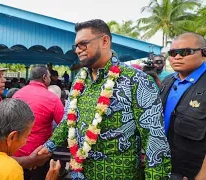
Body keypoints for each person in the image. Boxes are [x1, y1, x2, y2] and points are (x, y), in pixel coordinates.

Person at [38, 19, 171, 180]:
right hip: (78, 173)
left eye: (83, 44)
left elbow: (154, 141)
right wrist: (48, 146)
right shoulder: (80, 79)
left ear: (105, 41)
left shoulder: (136, 80)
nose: (78, 50)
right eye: (76, 46)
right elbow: (68, 120)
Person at [160, 32, 206, 180]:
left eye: (185, 52)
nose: (177, 57)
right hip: (165, 166)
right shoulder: (168, 81)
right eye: (173, 53)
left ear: (204, 53)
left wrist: (202, 175)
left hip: (192, 172)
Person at [13, 65, 64, 180]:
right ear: (44, 77)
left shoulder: (17, 95)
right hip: (41, 154)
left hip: (17, 154)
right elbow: (63, 125)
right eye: (49, 76)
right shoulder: (53, 98)